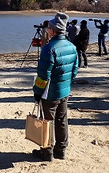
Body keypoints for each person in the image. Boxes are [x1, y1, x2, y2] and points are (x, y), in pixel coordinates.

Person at [32, 12, 78, 161]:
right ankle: (61, 149)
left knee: (47, 122)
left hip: (50, 93)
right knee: (62, 120)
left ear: (53, 30)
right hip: (64, 90)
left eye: (49, 28)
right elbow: (74, 70)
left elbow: (43, 75)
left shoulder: (49, 48)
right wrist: (66, 83)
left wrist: (37, 92)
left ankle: (47, 152)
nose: (47, 30)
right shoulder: (72, 46)